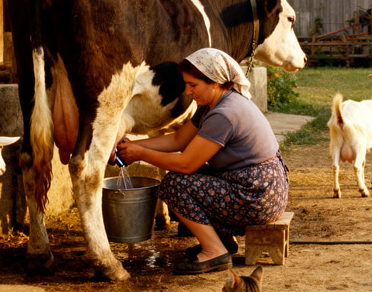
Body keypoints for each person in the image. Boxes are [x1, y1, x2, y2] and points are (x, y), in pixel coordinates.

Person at [116, 48, 289, 275]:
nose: (188, 92)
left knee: (174, 184)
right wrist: (132, 145)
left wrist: (139, 154)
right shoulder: (214, 105)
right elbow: (179, 140)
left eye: (194, 85)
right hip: (260, 185)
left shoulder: (224, 114)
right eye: (187, 84)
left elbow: (187, 163)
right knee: (193, 177)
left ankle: (215, 251)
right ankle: (224, 241)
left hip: (258, 195)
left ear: (216, 82)